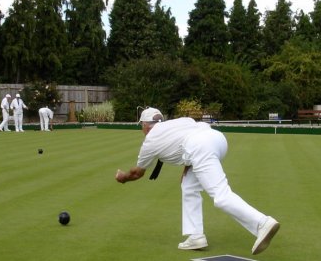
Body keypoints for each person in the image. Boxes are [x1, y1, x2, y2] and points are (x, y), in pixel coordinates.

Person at [115, 107, 280, 255]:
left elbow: (137, 173)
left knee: (221, 196)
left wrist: (123, 178)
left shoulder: (150, 141)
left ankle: (262, 223)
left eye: (141, 125)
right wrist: (188, 167)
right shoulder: (180, 121)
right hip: (218, 140)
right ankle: (196, 236)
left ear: (145, 125)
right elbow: (194, 135)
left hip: (200, 147)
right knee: (188, 186)